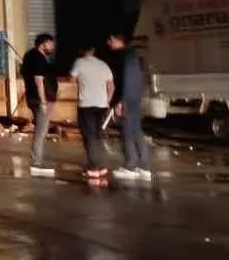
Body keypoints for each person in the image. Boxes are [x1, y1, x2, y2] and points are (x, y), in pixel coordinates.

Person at [107, 31, 153, 181]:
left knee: (127, 131)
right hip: (134, 97)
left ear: (114, 39)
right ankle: (144, 166)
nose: (108, 44)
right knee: (136, 130)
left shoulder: (124, 56)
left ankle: (130, 165)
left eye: (110, 40)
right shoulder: (133, 56)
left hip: (127, 98)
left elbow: (125, 80)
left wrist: (120, 101)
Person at [70, 44, 115, 181]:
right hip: (101, 105)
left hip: (86, 105)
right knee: (98, 135)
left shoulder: (79, 63)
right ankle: (101, 166)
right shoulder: (103, 65)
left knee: (89, 136)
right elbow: (111, 86)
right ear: (94, 50)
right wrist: (107, 100)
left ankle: (93, 168)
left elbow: (71, 79)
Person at [19, 34, 59, 176]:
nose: (52, 47)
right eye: (50, 44)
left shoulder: (31, 56)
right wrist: (43, 101)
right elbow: (39, 81)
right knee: (41, 131)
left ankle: (37, 161)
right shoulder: (37, 58)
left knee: (42, 130)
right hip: (40, 99)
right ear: (43, 43)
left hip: (36, 98)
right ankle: (36, 163)